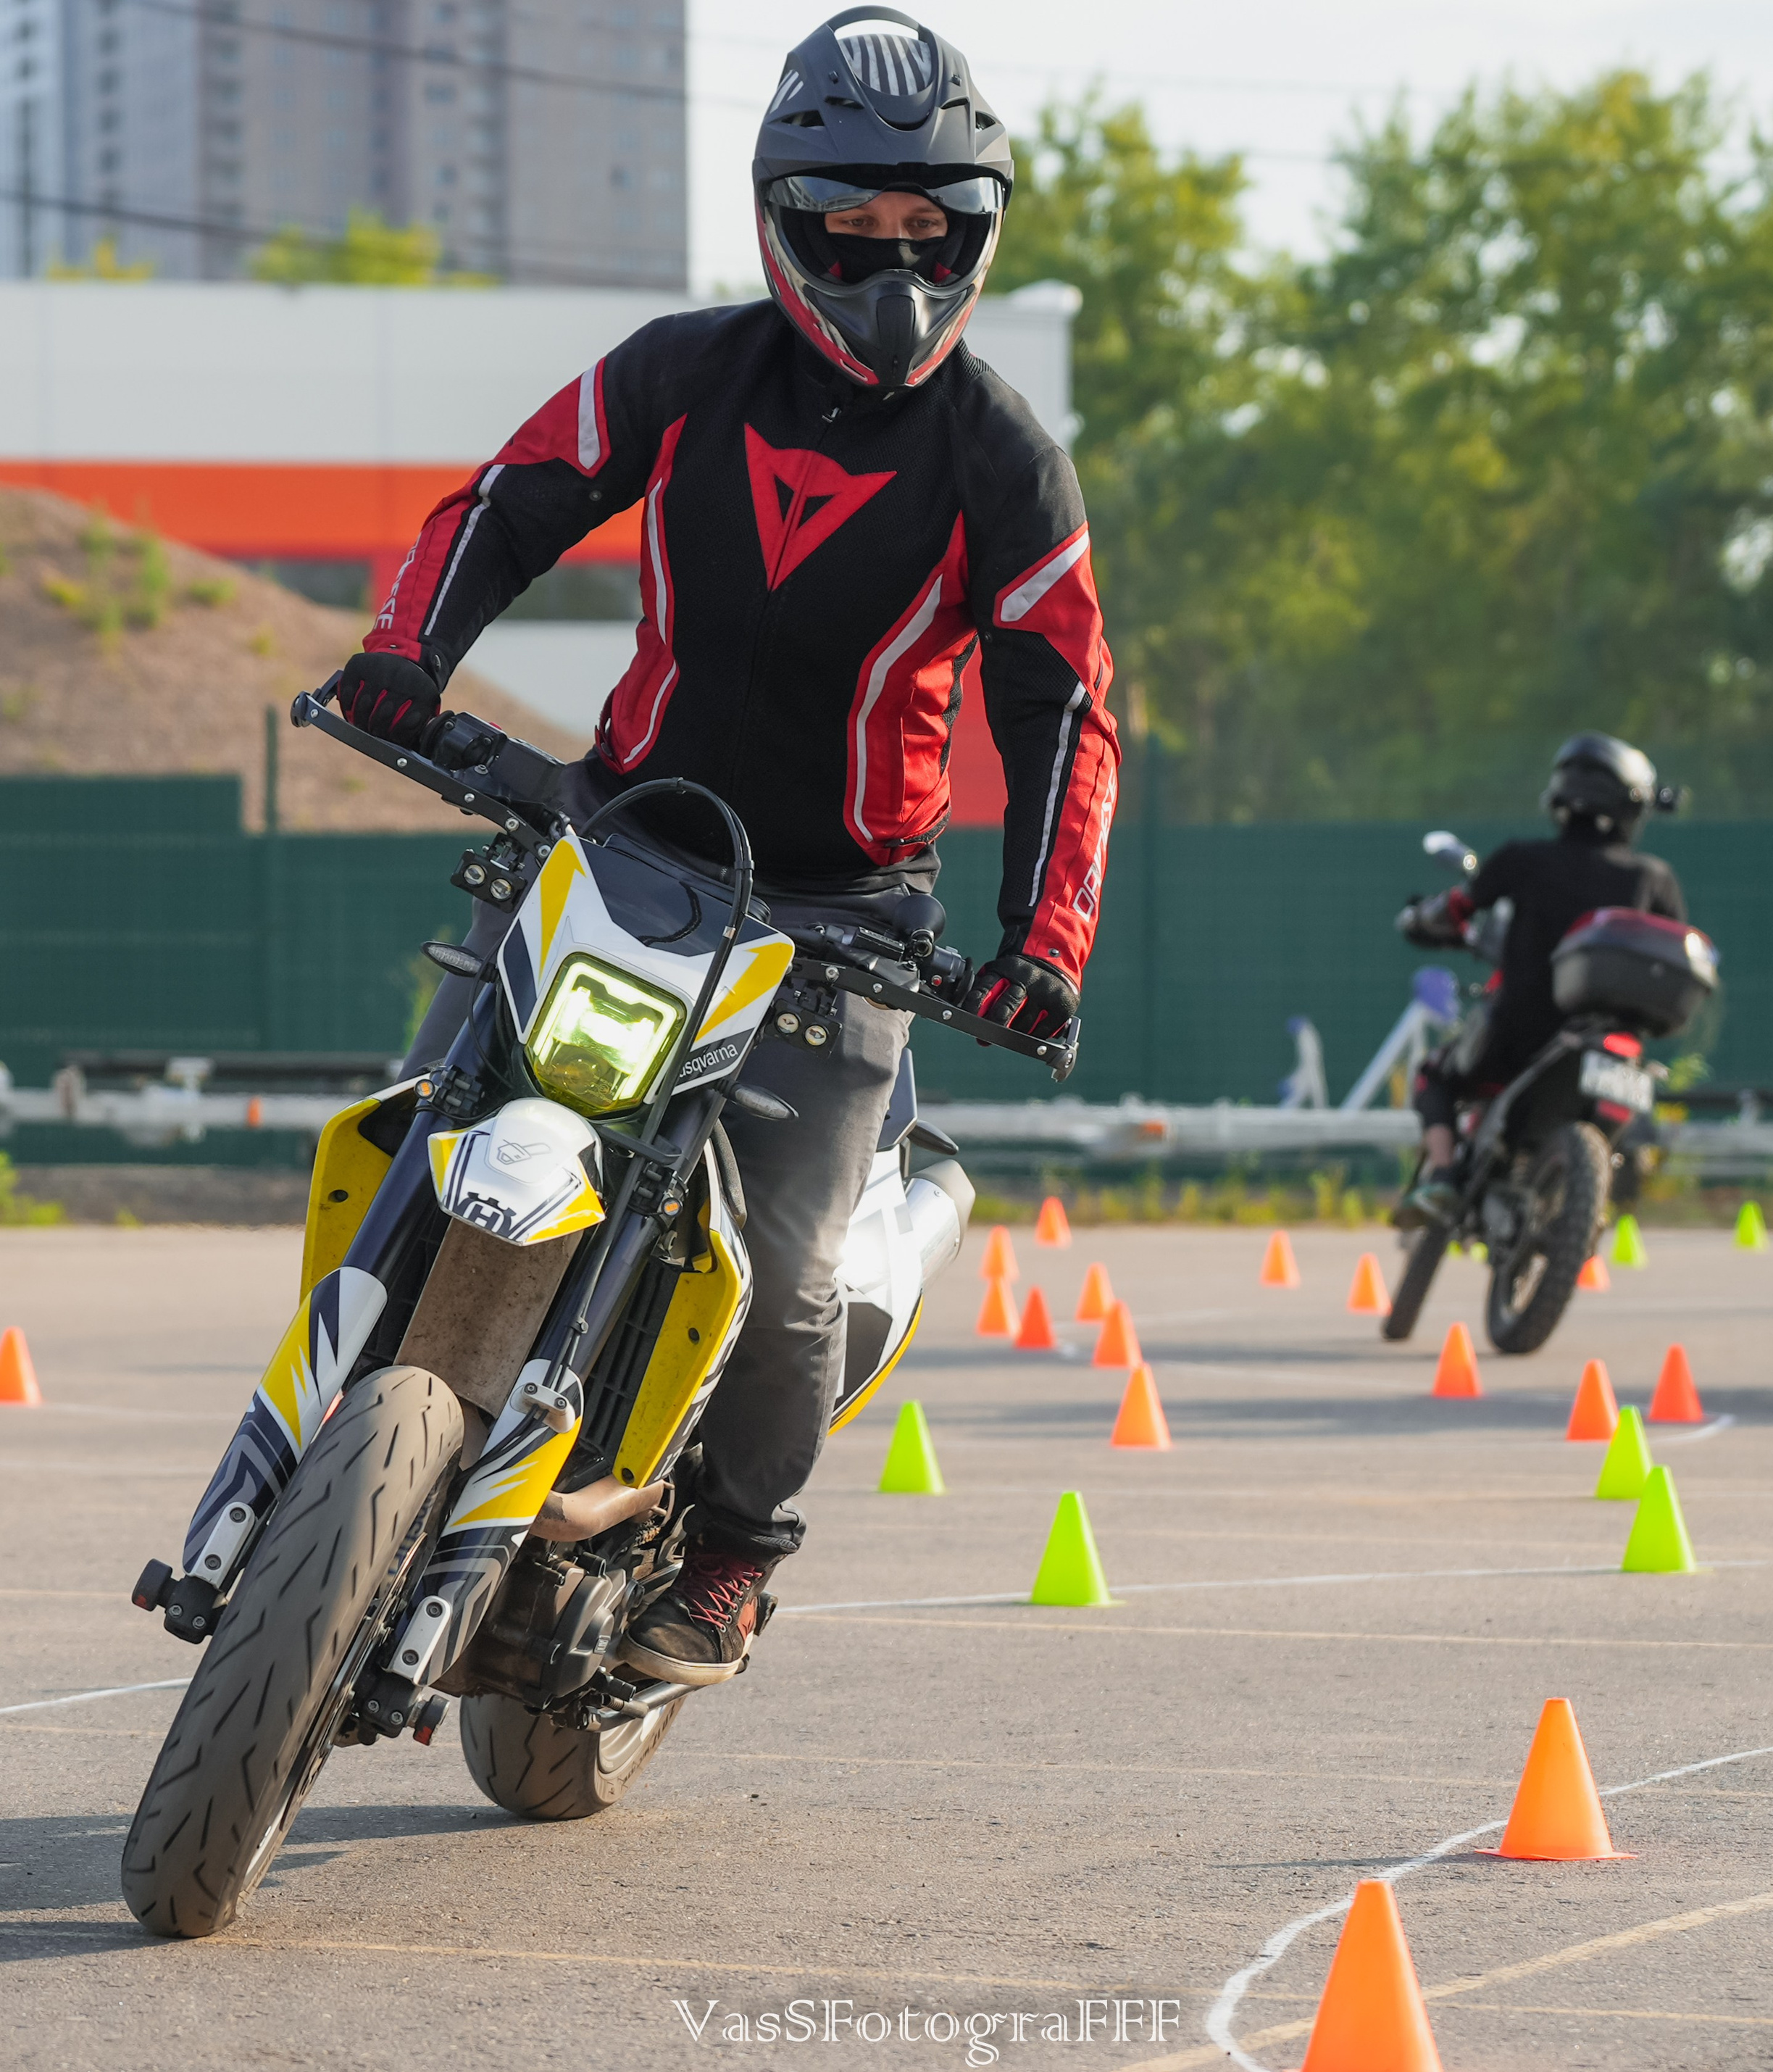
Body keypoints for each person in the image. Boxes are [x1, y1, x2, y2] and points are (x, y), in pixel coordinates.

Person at [334, 11, 1118, 1684]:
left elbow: (1067, 712)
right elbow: (511, 498)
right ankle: (344, 1436)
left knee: (788, 1266)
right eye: (853, 226)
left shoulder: (1000, 459)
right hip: (627, 841)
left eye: (935, 233)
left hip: (847, 915)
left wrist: (1042, 944)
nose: (894, 267)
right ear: (783, 214)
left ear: (979, 235)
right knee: (436, 1115)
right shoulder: (683, 371)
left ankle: (742, 1550)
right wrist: (407, 658)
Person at [1399, 733, 1684, 1226]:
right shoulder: (1653, 879)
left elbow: (1458, 907)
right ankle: (1585, 1204)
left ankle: (1443, 1178)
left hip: (1520, 1032)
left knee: (1436, 1073)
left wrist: (1424, 917)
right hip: (1612, 1045)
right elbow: (1674, 951)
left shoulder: (1522, 860)